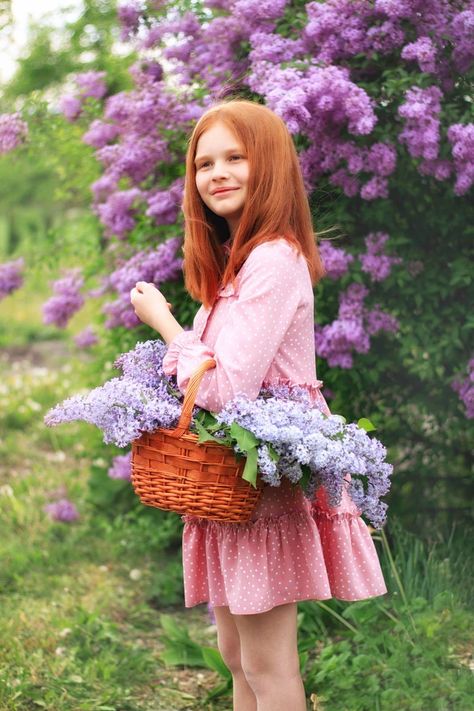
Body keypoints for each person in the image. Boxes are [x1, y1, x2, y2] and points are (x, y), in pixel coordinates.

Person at [130, 99, 388, 711]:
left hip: (261, 478)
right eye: (204, 163)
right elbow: (212, 378)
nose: (215, 173)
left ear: (268, 167)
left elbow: (225, 387)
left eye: (235, 158)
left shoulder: (274, 259)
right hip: (232, 478)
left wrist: (167, 326)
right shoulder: (236, 266)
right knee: (237, 654)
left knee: (269, 665)